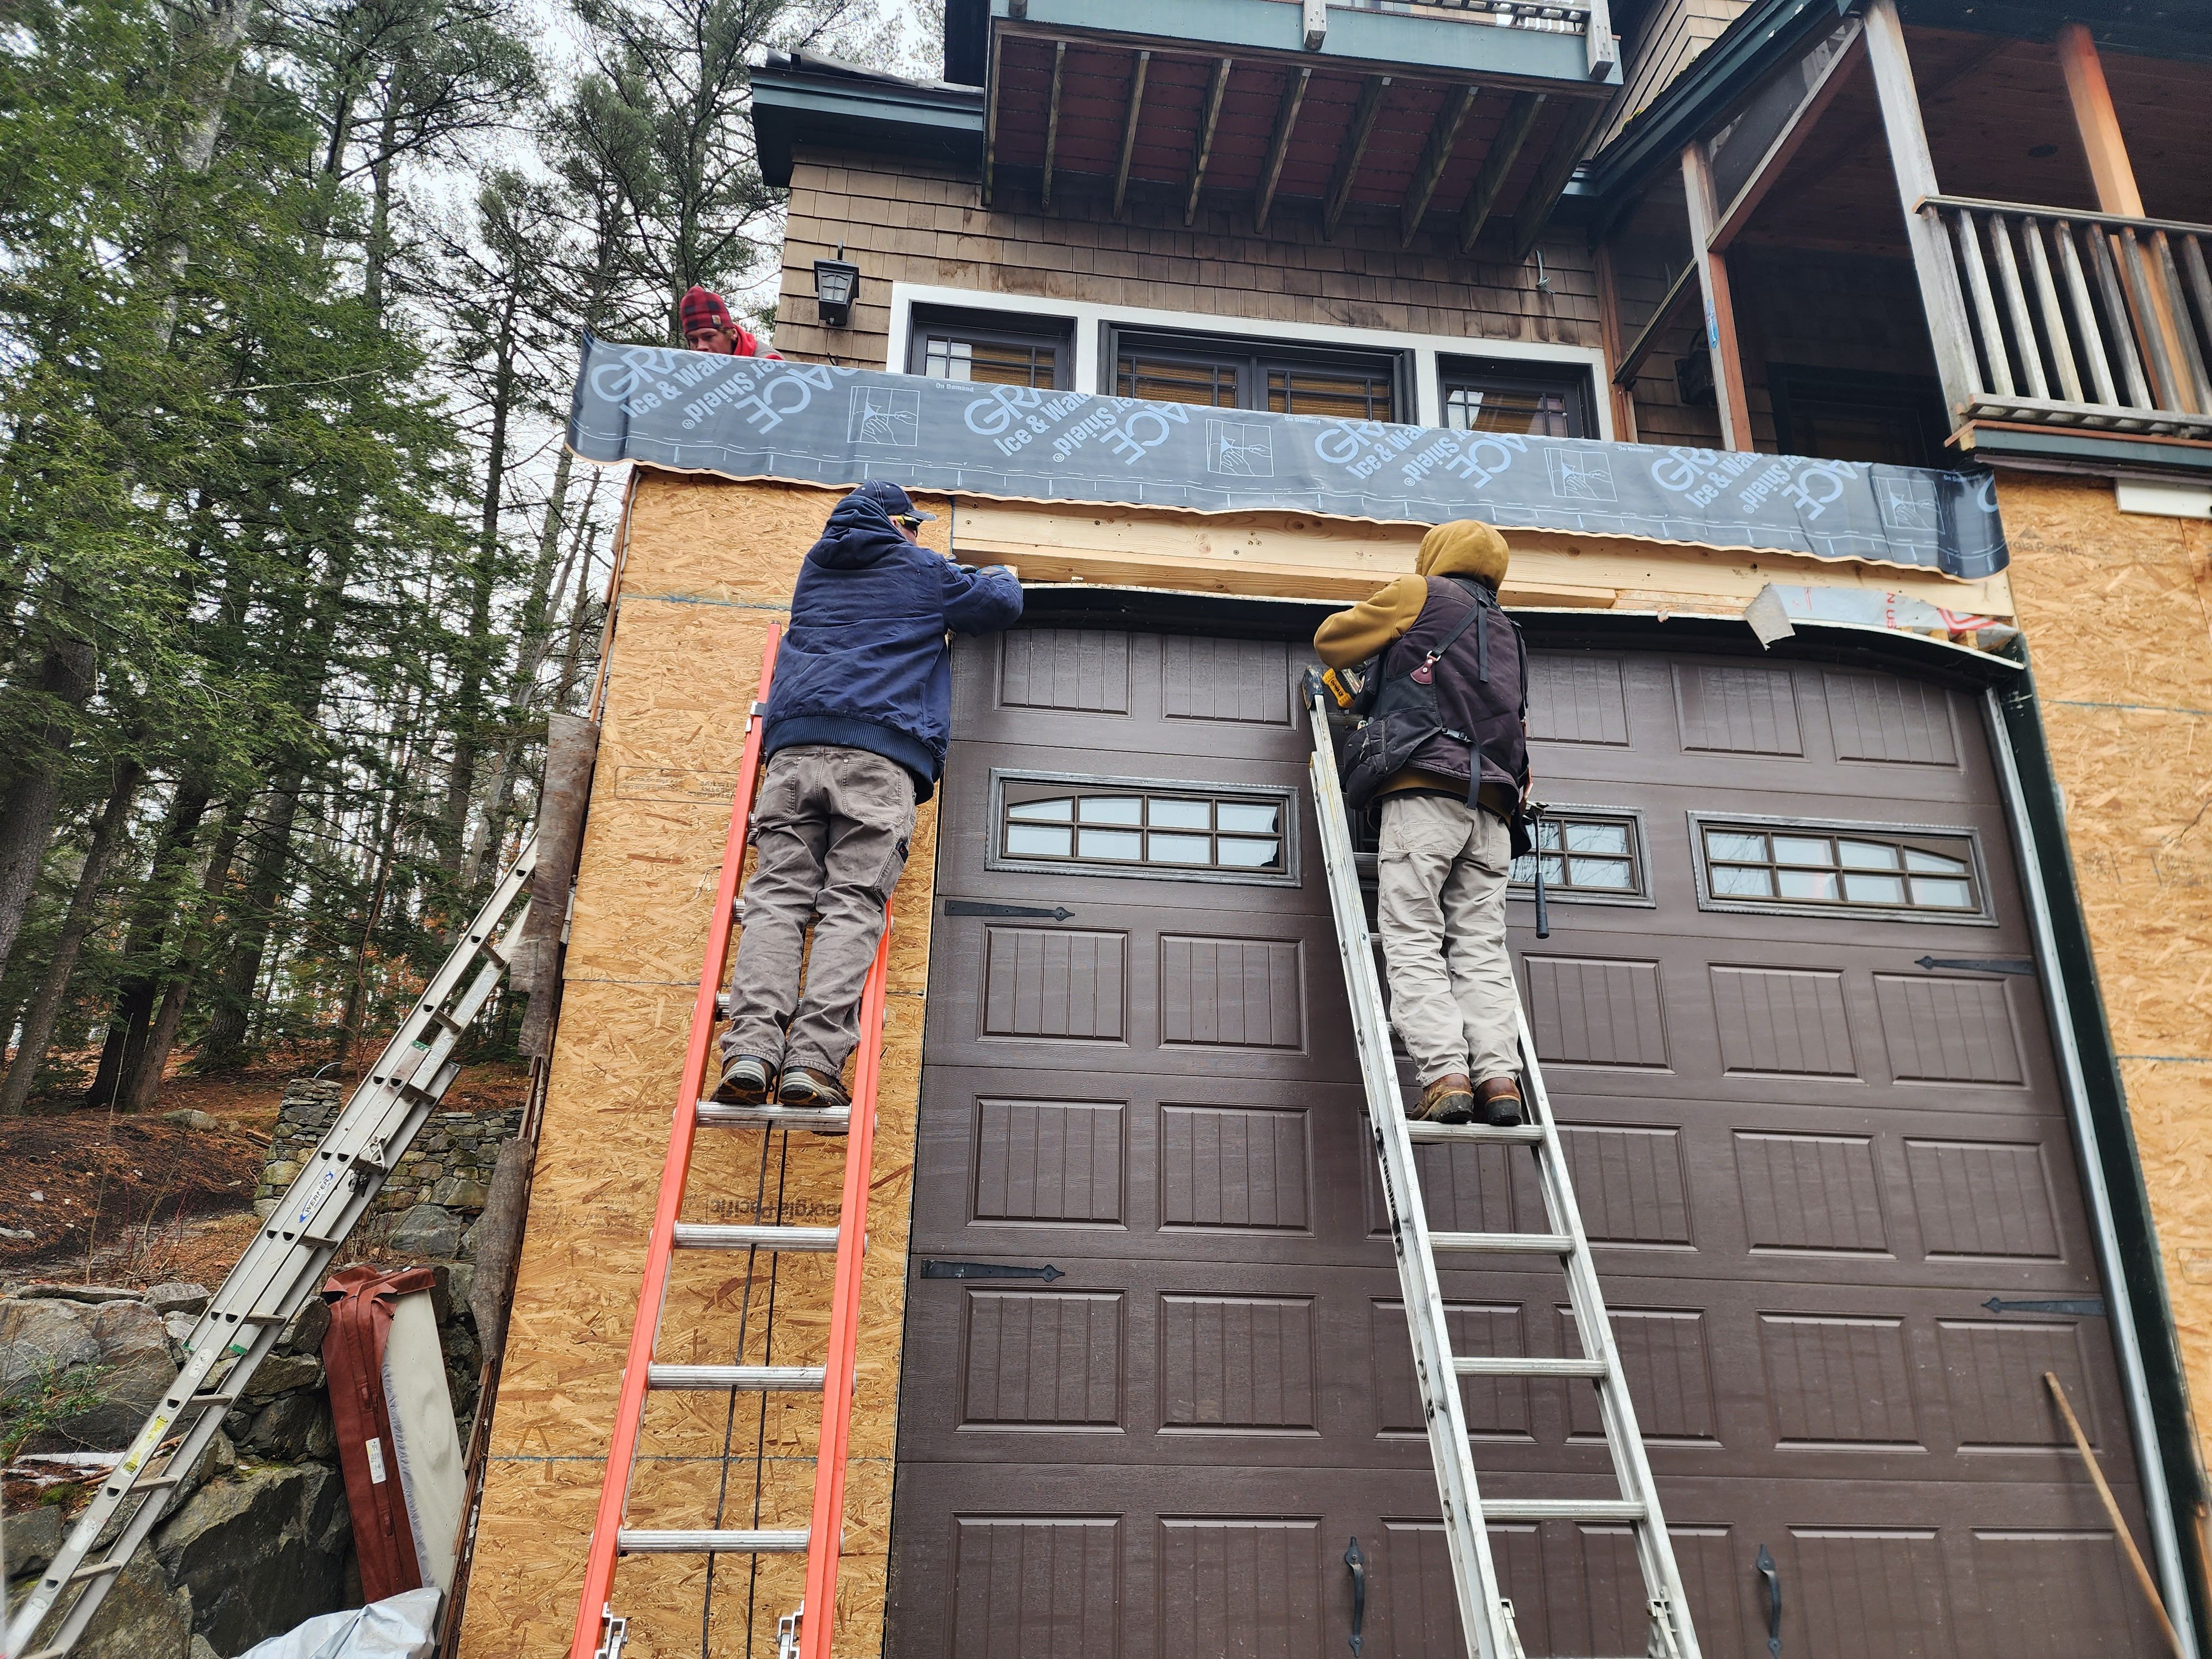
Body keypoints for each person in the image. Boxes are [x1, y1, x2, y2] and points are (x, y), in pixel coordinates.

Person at [716, 482, 1023, 1108]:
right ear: (897, 523)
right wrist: (1001, 568)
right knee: (851, 901)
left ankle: (750, 1050)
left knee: (776, 900)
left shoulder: (814, 568)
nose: (919, 534)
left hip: (794, 755)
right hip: (877, 756)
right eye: (914, 524)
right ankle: (811, 1061)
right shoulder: (920, 567)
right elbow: (995, 605)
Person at [1313, 520, 1531, 1128]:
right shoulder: (1511, 632)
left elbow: (1331, 642)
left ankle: (1445, 1076)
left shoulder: (1420, 592)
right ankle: (1499, 1079)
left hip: (1424, 795)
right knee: (1481, 951)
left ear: (1437, 554)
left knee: (1412, 936)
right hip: (1491, 811)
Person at [680, 284, 781, 359]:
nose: (701, 347)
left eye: (709, 336)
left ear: (732, 334)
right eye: (693, 340)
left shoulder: (768, 364)